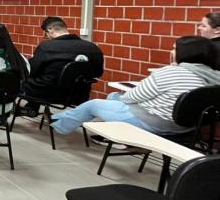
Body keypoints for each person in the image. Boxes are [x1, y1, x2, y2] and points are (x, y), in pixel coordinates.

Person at [52, 36, 220, 136]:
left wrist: (124, 99)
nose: (172, 52)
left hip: (155, 123)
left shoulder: (171, 72)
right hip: (186, 127)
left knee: (92, 104)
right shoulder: (214, 77)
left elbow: (133, 96)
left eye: (175, 48)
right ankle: (68, 119)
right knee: (113, 97)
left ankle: (57, 126)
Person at [22, 16, 104, 103]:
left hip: (47, 93)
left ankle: (29, 108)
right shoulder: (92, 47)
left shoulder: (46, 47)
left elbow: (31, 70)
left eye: (45, 34)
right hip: (79, 95)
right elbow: (98, 73)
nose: (47, 37)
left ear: (50, 30)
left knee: (18, 80)